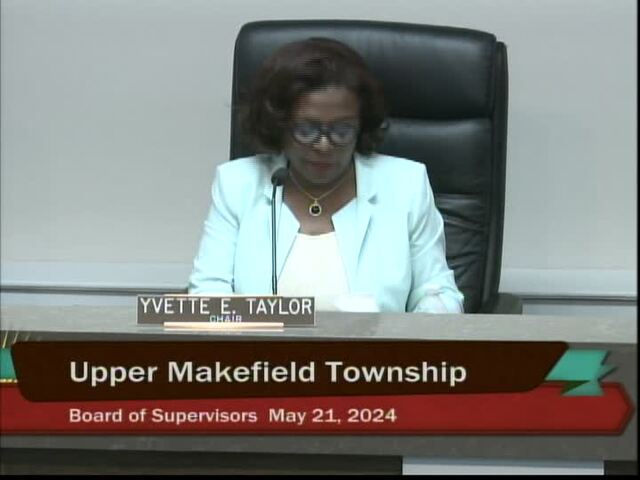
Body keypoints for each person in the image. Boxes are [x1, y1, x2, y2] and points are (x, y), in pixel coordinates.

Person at [188, 37, 464, 313]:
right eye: (306, 130)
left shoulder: (406, 185)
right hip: (263, 342)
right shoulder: (237, 184)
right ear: (279, 125)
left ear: (361, 126)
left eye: (342, 131)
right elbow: (206, 296)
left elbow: (438, 293)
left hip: (378, 342)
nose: (323, 145)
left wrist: (420, 324)